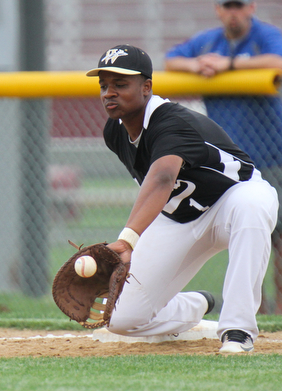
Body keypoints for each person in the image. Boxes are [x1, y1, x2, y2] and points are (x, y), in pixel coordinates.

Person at [86, 44, 278, 353]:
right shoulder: (115, 131)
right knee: (121, 320)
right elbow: (155, 188)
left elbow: (162, 179)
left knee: (252, 207)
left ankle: (238, 330)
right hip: (179, 217)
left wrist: (127, 240)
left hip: (230, 202)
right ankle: (194, 307)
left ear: (146, 87)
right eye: (104, 85)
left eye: (120, 84)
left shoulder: (171, 121)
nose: (109, 92)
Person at [164, 0, 282, 313]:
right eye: (228, 7)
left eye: (239, 6)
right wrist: (198, 65)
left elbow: (277, 59)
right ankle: (255, 307)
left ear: (251, 8)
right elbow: (172, 60)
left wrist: (226, 66)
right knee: (241, 235)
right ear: (219, 10)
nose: (234, 12)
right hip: (230, 160)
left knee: (278, 238)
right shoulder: (208, 41)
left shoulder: (264, 36)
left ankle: (280, 308)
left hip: (272, 155)